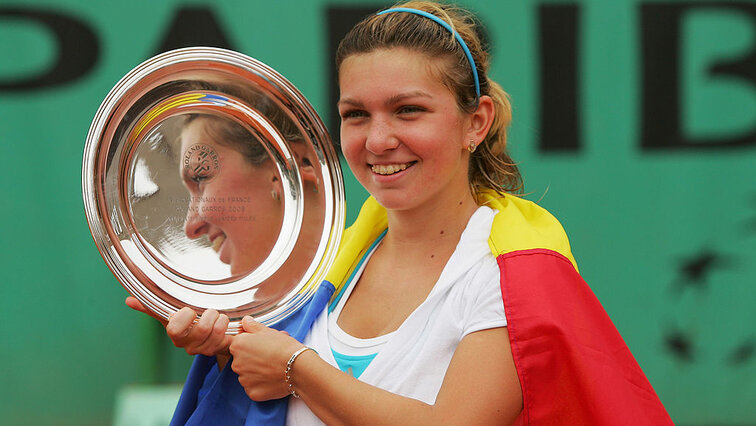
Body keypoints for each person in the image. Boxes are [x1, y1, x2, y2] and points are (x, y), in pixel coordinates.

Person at [130, 2, 674, 425]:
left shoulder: (510, 277)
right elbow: (278, 400)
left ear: (475, 122)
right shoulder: (330, 267)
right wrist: (229, 352)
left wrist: (297, 369)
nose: (379, 139)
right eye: (356, 115)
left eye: (408, 110)